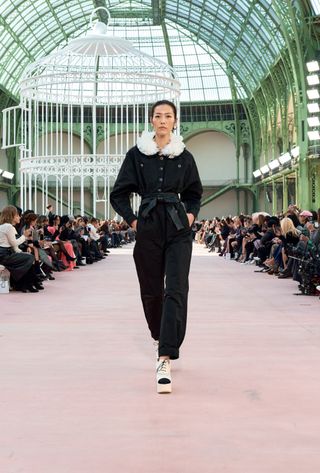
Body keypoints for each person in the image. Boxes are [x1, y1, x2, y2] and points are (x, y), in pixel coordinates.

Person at [110, 100, 203, 394]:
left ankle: (165, 356)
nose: (163, 120)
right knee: (151, 290)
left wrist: (189, 215)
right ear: (151, 120)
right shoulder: (137, 155)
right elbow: (119, 193)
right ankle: (159, 334)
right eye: (158, 116)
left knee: (176, 288)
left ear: (175, 121)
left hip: (177, 227)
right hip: (148, 226)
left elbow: (194, 193)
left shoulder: (184, 156)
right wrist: (133, 221)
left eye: (168, 116)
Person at [0, 205, 40, 292]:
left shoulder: (4, 226)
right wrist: (24, 236)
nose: (20, 217)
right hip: (4, 256)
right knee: (29, 258)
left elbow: (13, 246)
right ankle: (26, 283)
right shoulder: (8, 227)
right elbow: (14, 243)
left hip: (5, 254)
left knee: (27, 257)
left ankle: (26, 284)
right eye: (18, 215)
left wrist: (22, 252)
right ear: (12, 215)